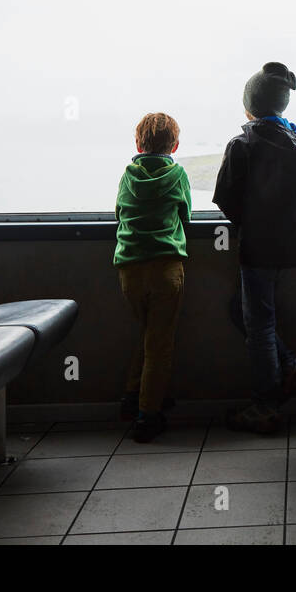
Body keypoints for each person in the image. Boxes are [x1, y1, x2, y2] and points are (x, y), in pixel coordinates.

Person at [214, 62, 296, 434]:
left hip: (258, 247)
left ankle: (266, 405)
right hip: (293, 243)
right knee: (247, 311)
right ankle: (291, 366)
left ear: (249, 106)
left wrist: (254, 221)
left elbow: (226, 198)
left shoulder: (242, 144)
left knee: (259, 323)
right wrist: (291, 216)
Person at [114, 112, 191, 442]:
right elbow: (186, 214)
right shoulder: (177, 175)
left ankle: (134, 397)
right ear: (175, 145)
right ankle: (148, 415)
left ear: (137, 143)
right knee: (160, 343)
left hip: (129, 268)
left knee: (147, 334)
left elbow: (119, 212)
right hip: (164, 268)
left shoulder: (128, 175)